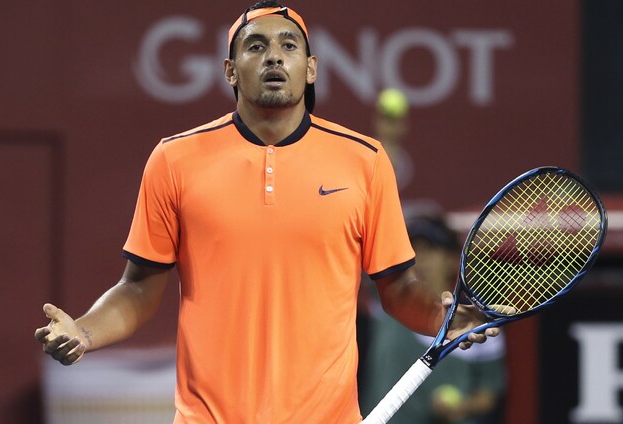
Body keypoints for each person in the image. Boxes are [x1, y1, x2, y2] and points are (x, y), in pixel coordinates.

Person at [34, 2, 500, 423]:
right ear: (230, 71)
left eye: (288, 45)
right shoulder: (173, 160)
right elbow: (138, 288)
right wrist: (84, 332)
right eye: (256, 46)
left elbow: (398, 288)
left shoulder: (366, 161)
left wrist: (443, 320)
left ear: (310, 69)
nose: (274, 57)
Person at [360, 213, 507, 424]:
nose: (420, 259)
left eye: (430, 249)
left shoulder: (476, 324)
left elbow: (488, 392)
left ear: (452, 260)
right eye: (413, 251)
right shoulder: (386, 299)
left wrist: (463, 407)